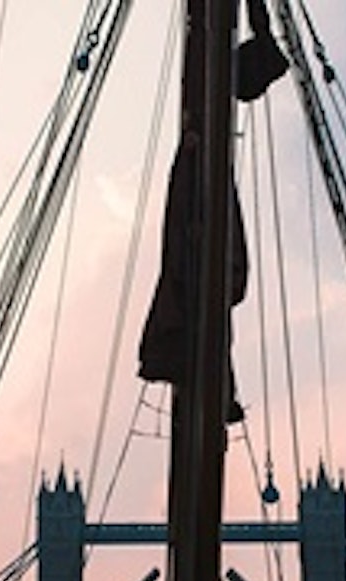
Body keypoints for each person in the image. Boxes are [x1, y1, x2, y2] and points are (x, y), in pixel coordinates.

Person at [136, 0, 288, 425]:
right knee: (202, 264)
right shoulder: (199, 164)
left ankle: (202, 380)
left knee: (202, 265)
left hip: (201, 173)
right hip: (200, 175)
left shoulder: (200, 164)